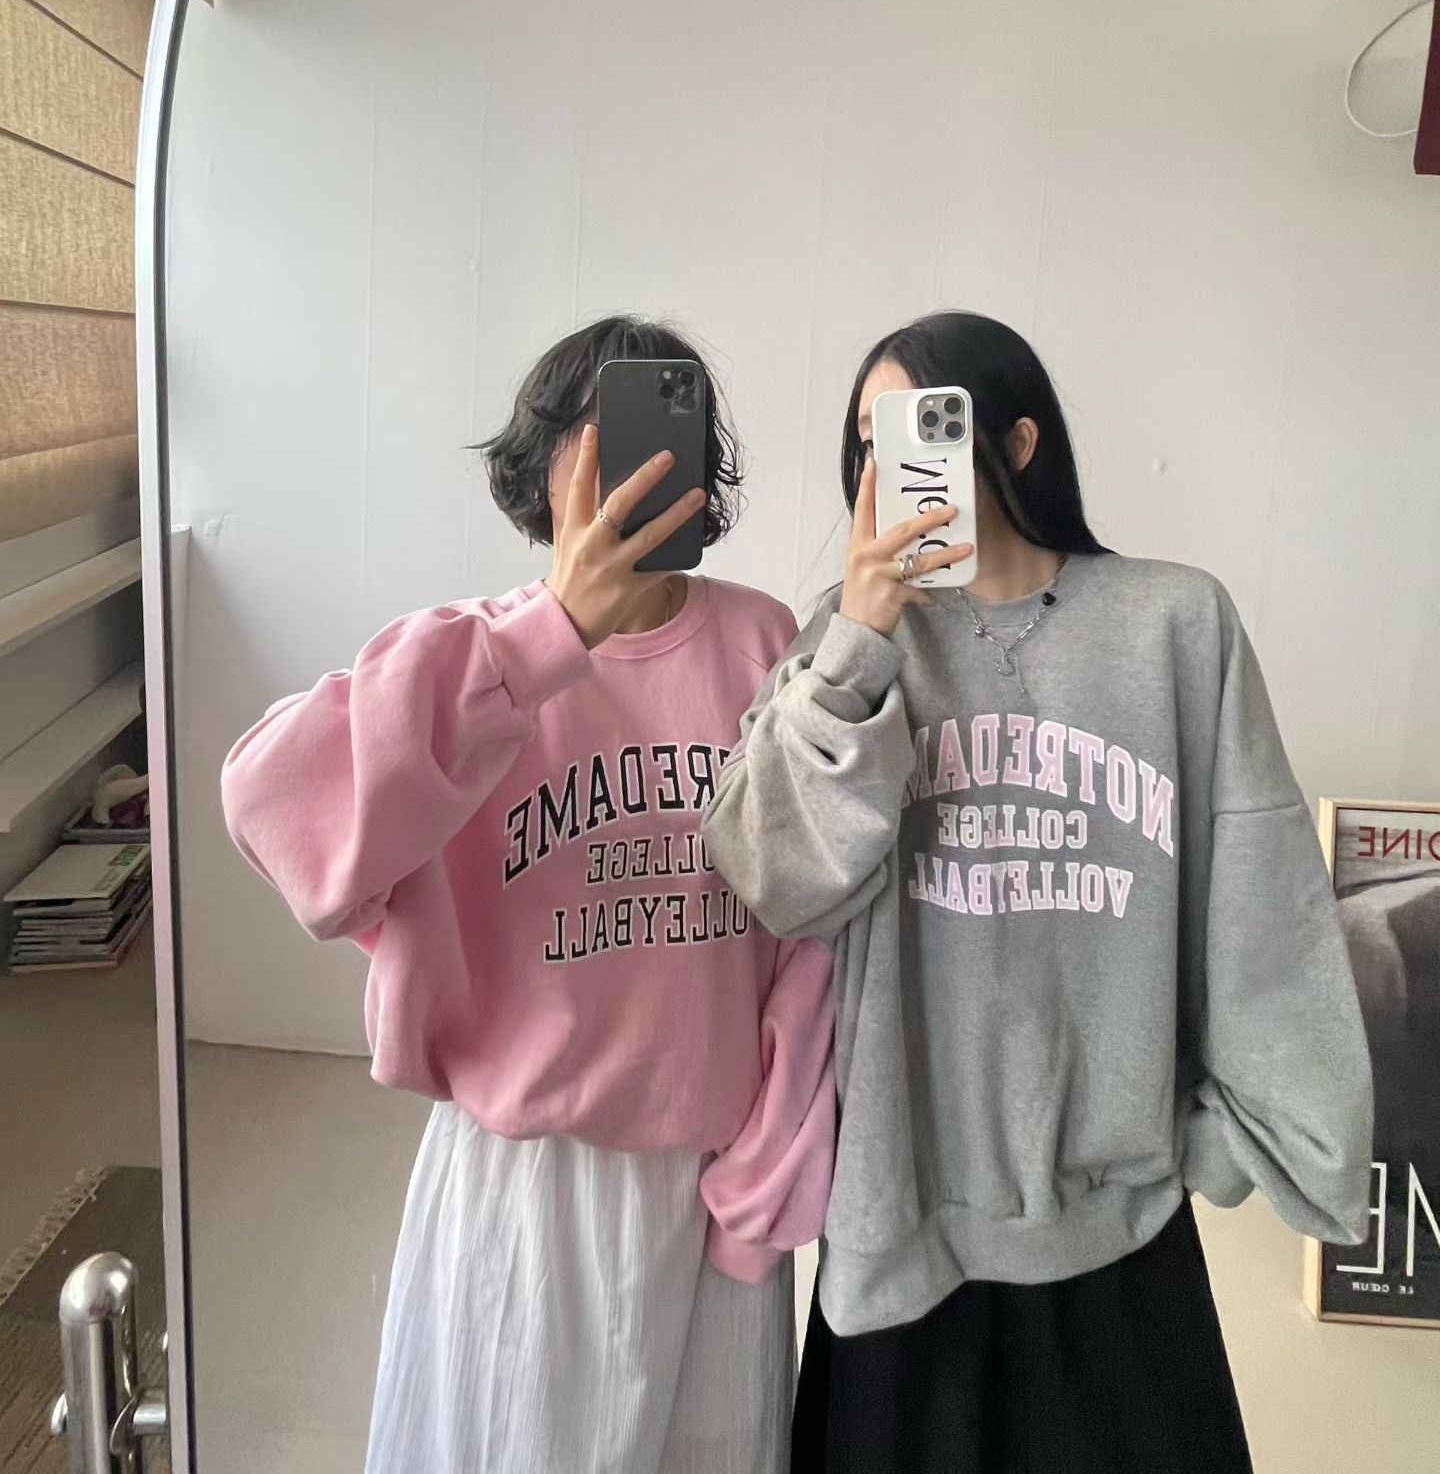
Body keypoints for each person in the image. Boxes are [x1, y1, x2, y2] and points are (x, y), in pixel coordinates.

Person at [702, 308, 1372, 1474]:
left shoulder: (1176, 623)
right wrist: (859, 640)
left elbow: (1265, 905)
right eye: (867, 442)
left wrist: (1224, 1141)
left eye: (919, 428)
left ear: (1017, 442)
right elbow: (775, 879)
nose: (887, 467)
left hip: (1120, 1229)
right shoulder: (844, 649)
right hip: (901, 1228)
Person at [222, 316, 835, 1474]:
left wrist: (766, 1181)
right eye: (605, 439)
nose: (639, 466)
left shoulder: (762, 642)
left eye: (669, 432)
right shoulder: (475, 657)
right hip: (528, 1187)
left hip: (712, 1188)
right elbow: (269, 801)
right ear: (543, 464)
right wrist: (549, 635)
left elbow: (811, 935)